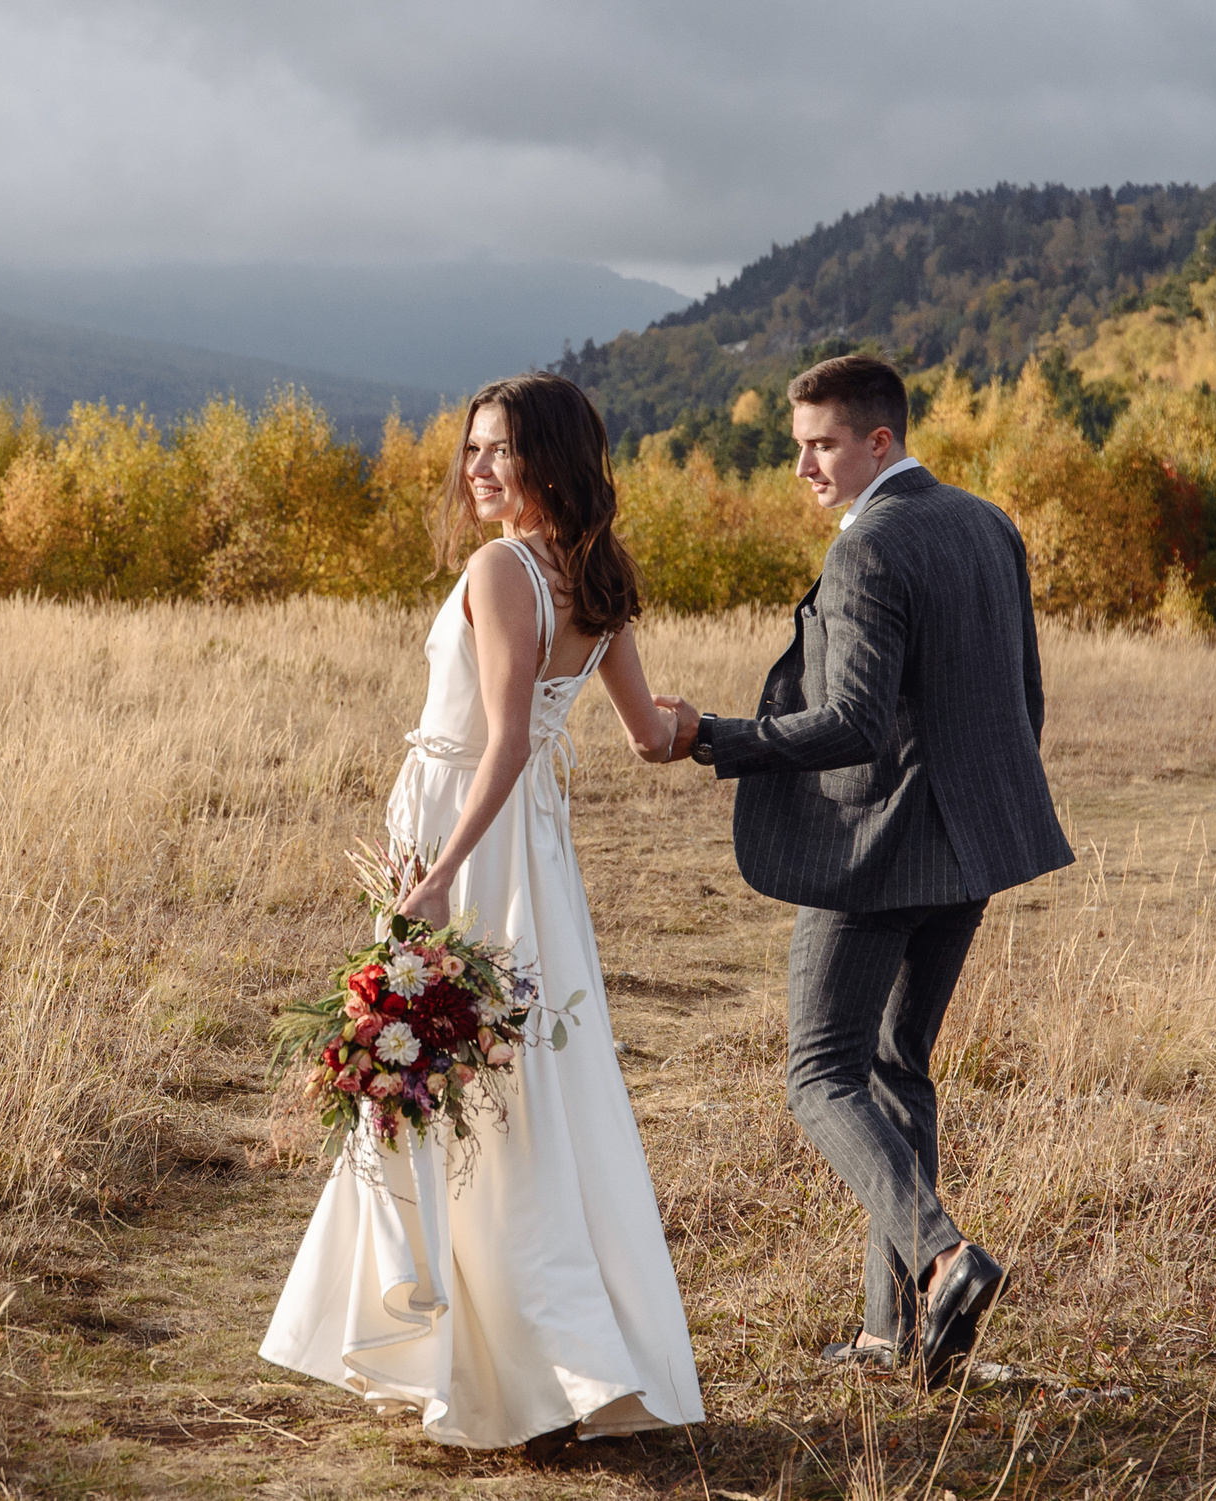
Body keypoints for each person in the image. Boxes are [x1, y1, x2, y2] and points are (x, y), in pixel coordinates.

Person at [261, 373, 704, 1456]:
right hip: (529, 844)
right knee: (517, 1079)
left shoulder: (503, 566)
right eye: (469, 450)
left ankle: (498, 1357)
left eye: (497, 449)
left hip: (477, 833)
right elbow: (649, 732)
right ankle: (513, 1343)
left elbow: (504, 739)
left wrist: (439, 875)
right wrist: (736, 730)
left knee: (453, 1072)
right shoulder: (596, 571)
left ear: (549, 456)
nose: (475, 469)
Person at [656, 353, 1073, 1385]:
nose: (802, 465)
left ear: (877, 440)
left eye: (822, 443)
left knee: (819, 1073)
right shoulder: (986, 522)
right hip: (971, 845)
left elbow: (848, 721)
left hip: (880, 850)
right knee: (895, 1068)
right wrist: (980, 815)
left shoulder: (870, 548)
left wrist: (711, 733)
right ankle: (897, 1333)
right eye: (796, 444)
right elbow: (1022, 695)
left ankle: (942, 1259)